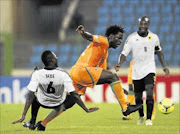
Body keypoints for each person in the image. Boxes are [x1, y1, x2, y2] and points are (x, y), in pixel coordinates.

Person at [12, 50, 99, 131]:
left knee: (33, 98)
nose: (57, 58)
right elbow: (74, 95)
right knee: (73, 97)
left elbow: (30, 95)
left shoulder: (37, 74)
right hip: (58, 103)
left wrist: (23, 114)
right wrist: (86, 109)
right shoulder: (63, 73)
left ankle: (32, 122)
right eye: (56, 57)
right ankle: (42, 122)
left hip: (43, 103)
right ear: (53, 60)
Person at [69, 25, 142, 117]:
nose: (120, 41)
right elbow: (90, 37)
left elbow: (104, 74)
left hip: (76, 72)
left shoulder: (105, 53)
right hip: (82, 70)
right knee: (113, 76)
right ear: (111, 36)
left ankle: (45, 122)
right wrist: (83, 33)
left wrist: (119, 87)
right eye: (119, 38)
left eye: (121, 39)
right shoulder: (103, 40)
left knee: (69, 102)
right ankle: (125, 108)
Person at [115, 16, 170, 125]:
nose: (143, 26)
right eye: (141, 24)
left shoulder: (154, 37)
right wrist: (119, 64)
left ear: (148, 25)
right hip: (136, 72)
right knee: (138, 98)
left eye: (145, 24)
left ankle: (149, 119)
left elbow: (159, 51)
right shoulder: (132, 38)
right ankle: (141, 116)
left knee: (149, 92)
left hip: (150, 70)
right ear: (138, 25)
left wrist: (164, 66)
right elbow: (124, 53)